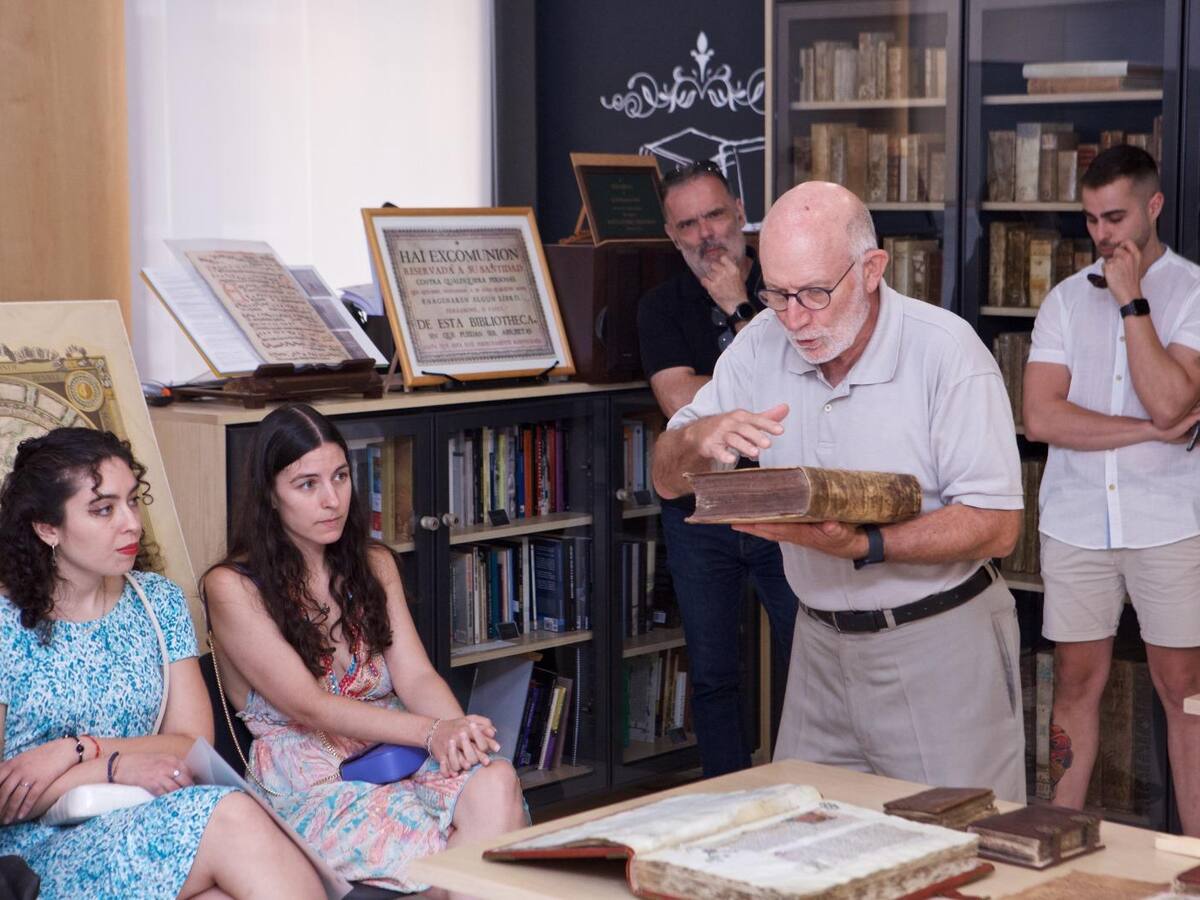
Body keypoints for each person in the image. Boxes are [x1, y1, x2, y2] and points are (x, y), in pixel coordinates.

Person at [652, 180, 1029, 801]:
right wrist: (700, 437)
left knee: (964, 852)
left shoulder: (946, 353)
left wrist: (866, 544)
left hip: (938, 642)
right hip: (819, 645)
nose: (795, 318)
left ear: (873, 269)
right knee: (803, 848)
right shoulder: (758, 344)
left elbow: (997, 525)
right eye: (775, 294)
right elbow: (669, 479)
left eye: (816, 294)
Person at [203, 403, 527, 892]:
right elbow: (309, 707)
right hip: (314, 778)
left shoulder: (374, 563)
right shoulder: (232, 587)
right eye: (307, 484)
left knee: (495, 782)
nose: (332, 500)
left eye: (340, 477)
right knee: (471, 848)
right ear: (270, 495)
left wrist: (457, 735)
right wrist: (433, 731)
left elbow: (416, 676)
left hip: (403, 749)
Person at [0, 427, 322, 899]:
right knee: (227, 813)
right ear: (48, 528)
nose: (131, 523)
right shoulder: (6, 627)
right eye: (103, 509)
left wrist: (81, 750)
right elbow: (7, 797)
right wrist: (115, 768)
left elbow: (191, 745)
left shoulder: (158, 602)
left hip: (144, 815)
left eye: (133, 501)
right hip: (36, 855)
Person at [1023, 145, 1200, 834]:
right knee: (1074, 683)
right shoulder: (1064, 301)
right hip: (1074, 522)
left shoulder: (1191, 292)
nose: (1103, 235)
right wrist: (1152, 433)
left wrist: (1132, 301)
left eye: (1116, 216)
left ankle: (1195, 863)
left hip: (1170, 522)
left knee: (1185, 692)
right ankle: (1054, 840)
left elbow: (1166, 398)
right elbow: (1041, 417)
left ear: (1153, 207)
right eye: (1093, 219)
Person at [636, 160, 799, 777]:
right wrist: (747, 391)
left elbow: (796, 383)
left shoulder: (785, 287)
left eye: (714, 215)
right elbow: (681, 406)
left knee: (802, 659)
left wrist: (736, 304)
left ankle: (800, 790)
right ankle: (726, 796)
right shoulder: (661, 306)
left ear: (739, 211)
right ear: (672, 235)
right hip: (699, 510)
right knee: (712, 672)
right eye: (688, 224)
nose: (707, 234)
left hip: (781, 500)